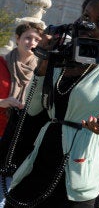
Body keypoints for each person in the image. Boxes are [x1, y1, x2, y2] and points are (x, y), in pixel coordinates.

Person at [4, 0, 99, 207]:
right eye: (86, 18)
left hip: (78, 169)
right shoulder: (61, 54)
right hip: (40, 159)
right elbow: (34, 108)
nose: (88, 26)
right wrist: (44, 64)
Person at [0, 22, 45, 205]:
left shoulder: (42, 71)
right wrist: (3, 102)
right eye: (27, 37)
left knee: (8, 193)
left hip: (21, 140)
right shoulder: (2, 63)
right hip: (0, 132)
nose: (32, 42)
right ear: (17, 39)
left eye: (37, 39)